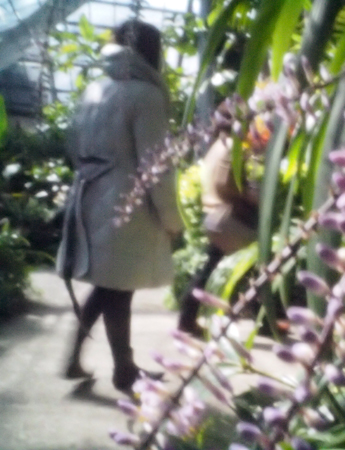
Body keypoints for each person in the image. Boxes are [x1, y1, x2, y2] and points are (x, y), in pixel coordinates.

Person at [56, 19, 183, 392]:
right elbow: (155, 167)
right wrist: (172, 219)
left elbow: (73, 147)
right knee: (118, 289)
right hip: (127, 204)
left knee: (108, 285)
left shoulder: (95, 89)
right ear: (151, 52)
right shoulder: (147, 96)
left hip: (90, 196)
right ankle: (123, 370)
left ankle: (79, 358)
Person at [177, 133, 260, 337]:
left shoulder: (219, 144)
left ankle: (186, 320)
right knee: (258, 265)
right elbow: (224, 183)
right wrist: (248, 197)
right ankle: (265, 320)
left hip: (217, 215)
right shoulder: (234, 146)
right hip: (227, 217)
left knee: (209, 271)